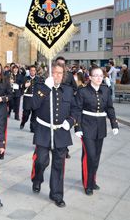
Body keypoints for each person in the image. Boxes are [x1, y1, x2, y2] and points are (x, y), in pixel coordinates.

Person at [30, 62, 77, 208]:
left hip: (61, 132)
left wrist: (70, 121)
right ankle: (37, 179)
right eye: (54, 72)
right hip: (44, 130)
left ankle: (56, 194)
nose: (57, 75)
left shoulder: (68, 90)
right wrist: (46, 87)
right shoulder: (41, 87)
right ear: (49, 74)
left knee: (59, 165)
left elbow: (75, 110)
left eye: (60, 73)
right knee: (41, 161)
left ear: (63, 75)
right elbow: (33, 105)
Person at [75, 66, 119, 196]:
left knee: (97, 157)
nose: (99, 78)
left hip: (100, 127)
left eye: (101, 75)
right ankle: (87, 184)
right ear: (90, 77)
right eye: (96, 75)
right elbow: (77, 109)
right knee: (90, 155)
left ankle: (92, 179)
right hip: (87, 127)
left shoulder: (105, 90)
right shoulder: (82, 91)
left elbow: (110, 108)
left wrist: (114, 124)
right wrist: (77, 127)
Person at [20, 65, 43, 132]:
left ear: (35, 71)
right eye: (31, 70)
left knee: (35, 114)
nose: (32, 72)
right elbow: (20, 86)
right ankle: (23, 122)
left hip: (35, 99)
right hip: (27, 98)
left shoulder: (39, 79)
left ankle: (33, 128)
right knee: (26, 114)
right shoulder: (25, 78)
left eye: (34, 71)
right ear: (29, 71)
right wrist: (25, 85)